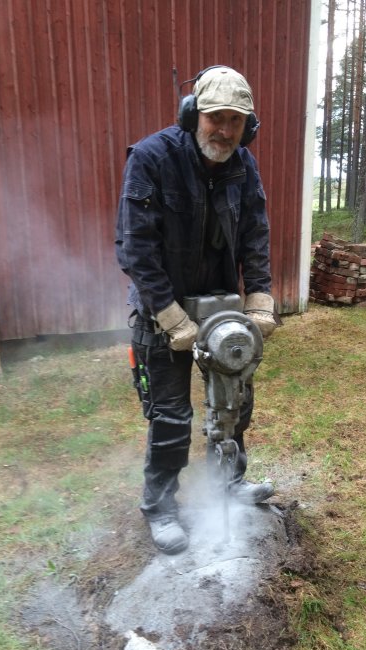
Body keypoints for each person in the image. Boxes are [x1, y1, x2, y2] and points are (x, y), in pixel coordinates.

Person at [115, 65, 277, 555]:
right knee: (170, 417)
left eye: (235, 120)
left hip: (222, 310)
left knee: (234, 406)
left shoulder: (242, 165)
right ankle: (161, 506)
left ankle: (228, 486)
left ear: (247, 125)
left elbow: (255, 234)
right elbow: (135, 247)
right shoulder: (151, 158)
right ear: (193, 115)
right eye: (215, 118)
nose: (224, 130)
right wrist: (170, 316)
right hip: (162, 313)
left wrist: (261, 298)